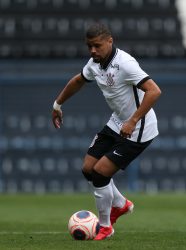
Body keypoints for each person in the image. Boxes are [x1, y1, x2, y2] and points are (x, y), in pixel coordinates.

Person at [51, 23, 161, 240]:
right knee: (88, 169)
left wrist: (133, 120)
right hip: (116, 122)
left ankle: (105, 226)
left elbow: (154, 91)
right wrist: (57, 104)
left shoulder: (126, 64)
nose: (93, 51)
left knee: (101, 172)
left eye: (97, 46)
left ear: (110, 41)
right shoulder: (95, 63)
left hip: (138, 128)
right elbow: (78, 81)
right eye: (89, 46)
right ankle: (120, 204)